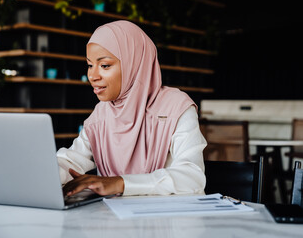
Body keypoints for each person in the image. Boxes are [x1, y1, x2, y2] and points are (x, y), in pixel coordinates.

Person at [57, 20, 207, 197]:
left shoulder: (176, 106)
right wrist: (45, 172)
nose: (92, 75)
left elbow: (192, 177)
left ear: (134, 65)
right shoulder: (102, 113)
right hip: (112, 219)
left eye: (104, 65)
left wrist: (120, 183)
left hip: (166, 220)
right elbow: (71, 160)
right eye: (90, 65)